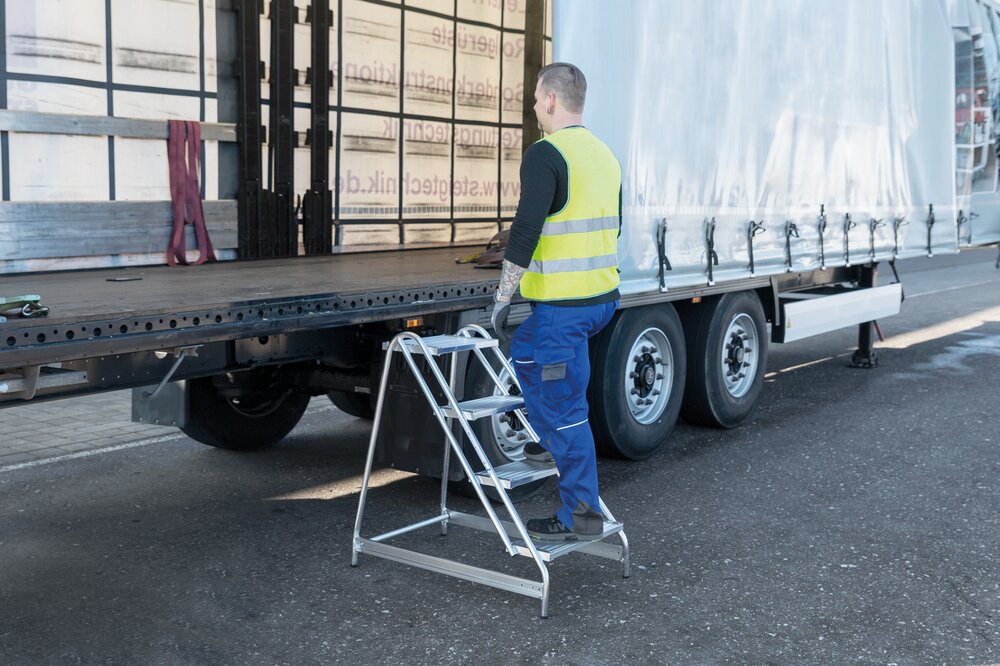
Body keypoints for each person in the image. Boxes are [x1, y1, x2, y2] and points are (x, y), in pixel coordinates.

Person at [490, 62, 622, 542]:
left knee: (567, 410)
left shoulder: (545, 153)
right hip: (601, 302)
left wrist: (503, 298)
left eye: (534, 98)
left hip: (563, 312)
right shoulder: (605, 155)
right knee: (527, 355)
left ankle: (581, 515)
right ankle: (551, 439)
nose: (532, 107)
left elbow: (525, 231)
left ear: (550, 100)